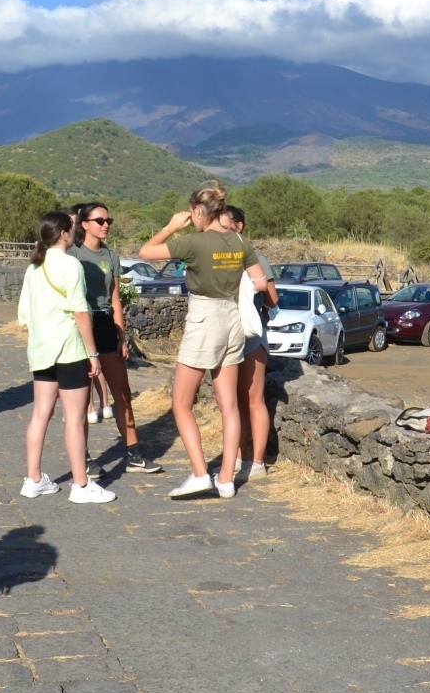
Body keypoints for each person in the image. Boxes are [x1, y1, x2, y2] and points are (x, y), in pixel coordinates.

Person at [139, 182, 270, 499]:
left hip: (204, 318)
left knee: (181, 403)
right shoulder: (238, 240)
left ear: (198, 210)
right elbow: (260, 281)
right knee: (229, 406)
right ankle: (226, 479)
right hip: (232, 319)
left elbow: (145, 252)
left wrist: (171, 226)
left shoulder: (193, 243)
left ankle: (200, 474)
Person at [17, 211, 113, 504]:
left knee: (39, 415)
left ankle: (33, 479)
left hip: (41, 349)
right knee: (73, 418)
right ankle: (81, 485)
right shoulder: (71, 265)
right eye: (72, 228)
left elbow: (24, 315)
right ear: (63, 233)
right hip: (69, 349)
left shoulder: (33, 267)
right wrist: (93, 354)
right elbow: (80, 312)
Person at [71, 203, 160, 475]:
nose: (105, 224)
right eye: (99, 220)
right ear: (84, 224)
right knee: (81, 397)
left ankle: (134, 453)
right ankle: (83, 458)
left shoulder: (111, 256)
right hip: (81, 325)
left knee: (122, 393)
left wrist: (122, 335)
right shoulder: (72, 254)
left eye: (108, 219)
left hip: (106, 324)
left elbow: (115, 298)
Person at [219, 205, 277, 480]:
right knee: (243, 402)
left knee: (249, 401)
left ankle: (254, 462)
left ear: (238, 226)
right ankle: (249, 462)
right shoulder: (246, 256)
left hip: (247, 336)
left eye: (225, 222)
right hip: (239, 335)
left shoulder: (252, 256)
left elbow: (271, 296)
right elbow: (272, 300)